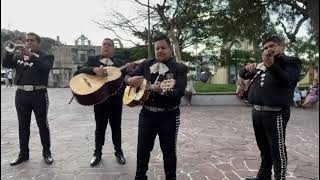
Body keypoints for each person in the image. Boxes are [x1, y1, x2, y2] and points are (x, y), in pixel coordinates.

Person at [125, 35, 188, 180]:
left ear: (170, 49)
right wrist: (130, 80)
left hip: (169, 116)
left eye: (163, 48)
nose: (160, 51)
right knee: (142, 150)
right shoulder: (146, 65)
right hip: (147, 115)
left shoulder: (180, 68)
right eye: (157, 48)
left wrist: (161, 90)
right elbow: (126, 77)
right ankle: (140, 177)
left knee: (169, 152)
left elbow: (178, 93)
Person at [240, 36, 301, 180]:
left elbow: (289, 80)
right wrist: (246, 69)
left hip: (276, 114)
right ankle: (263, 176)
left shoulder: (291, 62)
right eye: (265, 48)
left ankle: (280, 177)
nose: (268, 50)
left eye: (272, 46)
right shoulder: (261, 65)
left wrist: (272, 65)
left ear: (281, 46)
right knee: (264, 149)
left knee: (277, 150)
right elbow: (245, 75)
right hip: (257, 112)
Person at [77, 38, 135, 167]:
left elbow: (129, 77)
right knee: (100, 128)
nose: (106, 47)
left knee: (116, 127)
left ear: (113, 49)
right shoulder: (93, 60)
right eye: (104, 44)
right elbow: (79, 70)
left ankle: (119, 152)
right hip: (99, 100)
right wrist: (94, 70)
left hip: (115, 100)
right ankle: (97, 154)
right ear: (101, 47)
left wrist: (130, 69)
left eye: (109, 45)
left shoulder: (120, 63)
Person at [2, 32, 54, 166]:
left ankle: (46, 152)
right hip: (21, 94)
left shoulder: (46, 56)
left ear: (38, 43)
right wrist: (9, 52)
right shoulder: (18, 56)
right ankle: (23, 154)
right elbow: (7, 64)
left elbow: (45, 68)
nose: (28, 42)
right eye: (27, 40)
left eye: (32, 40)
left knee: (42, 124)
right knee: (22, 125)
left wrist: (30, 55)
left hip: (39, 94)